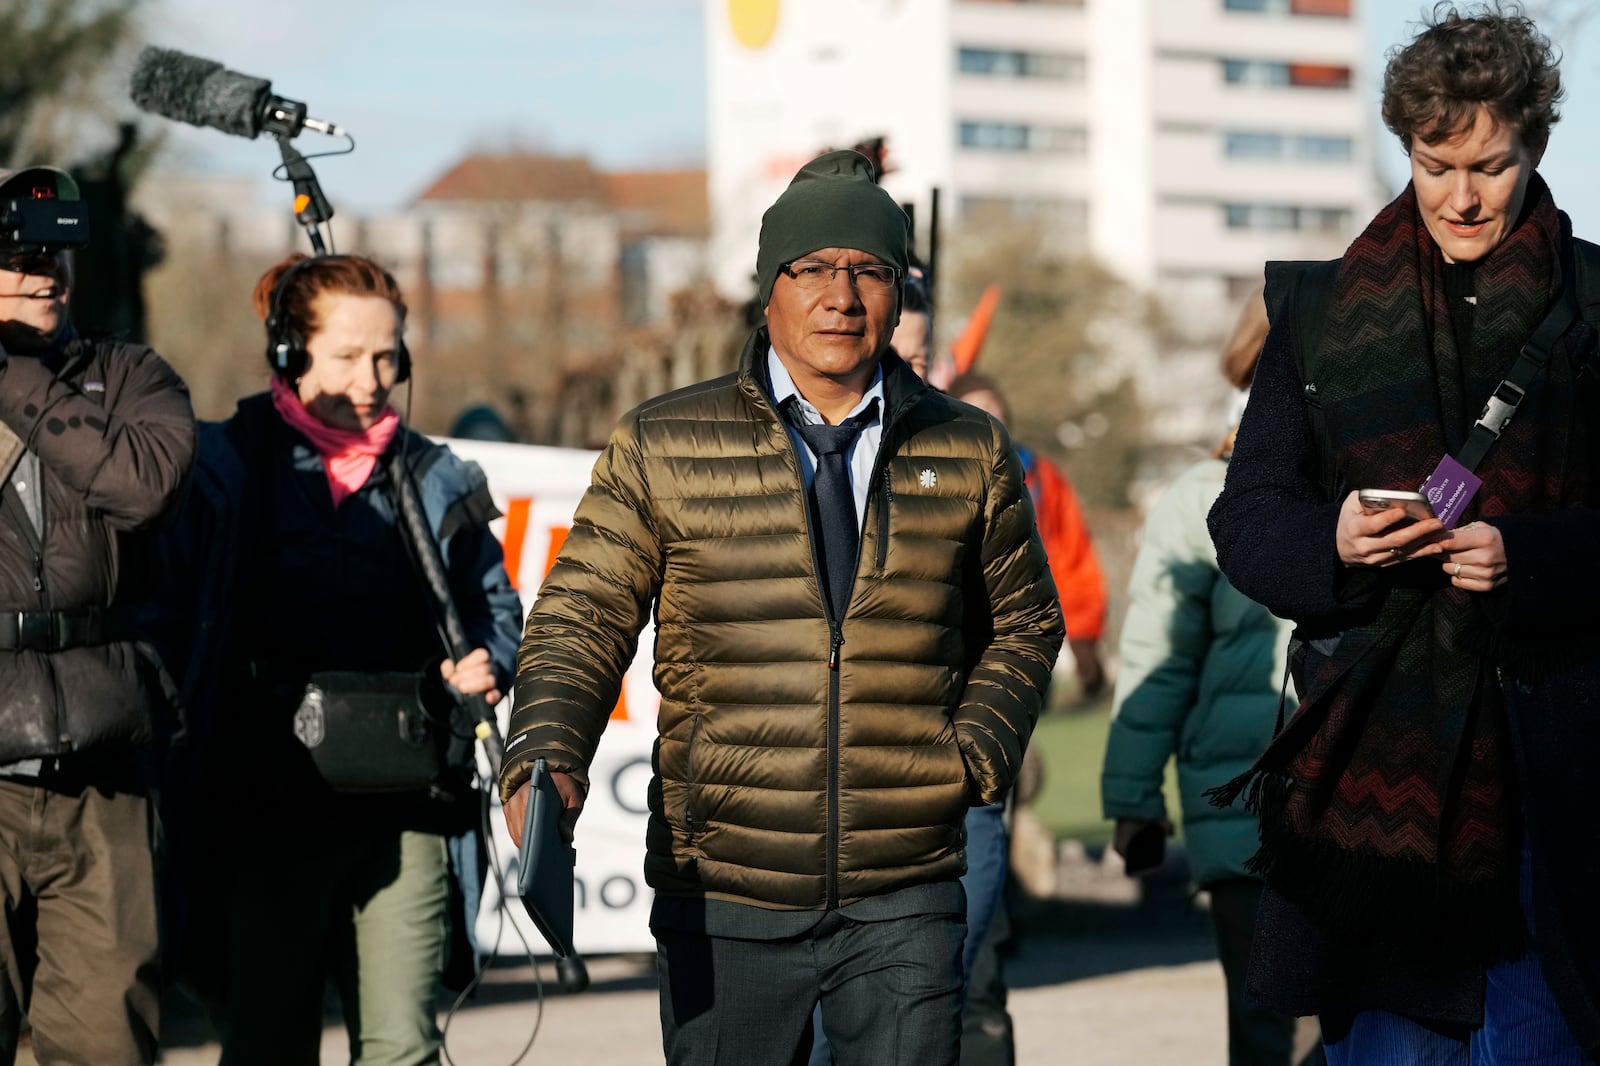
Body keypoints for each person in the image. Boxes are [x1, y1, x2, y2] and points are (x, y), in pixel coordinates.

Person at [500, 149, 1064, 1066]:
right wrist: (548, 752)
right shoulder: (664, 442)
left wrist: (967, 759)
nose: (842, 295)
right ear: (771, 288)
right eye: (813, 268)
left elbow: (1026, 623)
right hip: (723, 887)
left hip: (905, 892)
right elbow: (581, 616)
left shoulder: (968, 448)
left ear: (897, 290)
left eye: (869, 270)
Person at [1208, 6, 1600, 1061]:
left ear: (1535, 146)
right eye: (1435, 165)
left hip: (1552, 801)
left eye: (1488, 163)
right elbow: (1244, 516)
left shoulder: (1598, 303)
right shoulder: (1318, 310)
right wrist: (1332, 538)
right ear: (1405, 149)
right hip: (1369, 802)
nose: (1461, 195)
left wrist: (1537, 559)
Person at [154, 253, 521, 1065]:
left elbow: (497, 613)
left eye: (388, 356)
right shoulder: (220, 468)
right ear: (289, 353)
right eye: (348, 355)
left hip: (408, 809)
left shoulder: (437, 476)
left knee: (403, 1050)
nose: (373, 378)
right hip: (260, 816)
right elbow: (171, 626)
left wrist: (486, 664)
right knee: (266, 1047)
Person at [0, 165, 196, 1064]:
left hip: (105, 773)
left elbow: (142, 488)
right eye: (15, 256)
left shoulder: (132, 376)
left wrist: (14, 379)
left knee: (108, 1045)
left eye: (53, 254)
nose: (43, 272)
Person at [1101, 291, 1307, 1066]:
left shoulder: (1386, 491)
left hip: (1364, 801)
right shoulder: (1199, 502)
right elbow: (1159, 655)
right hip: (1245, 808)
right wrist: (1132, 800)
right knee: (1269, 1032)